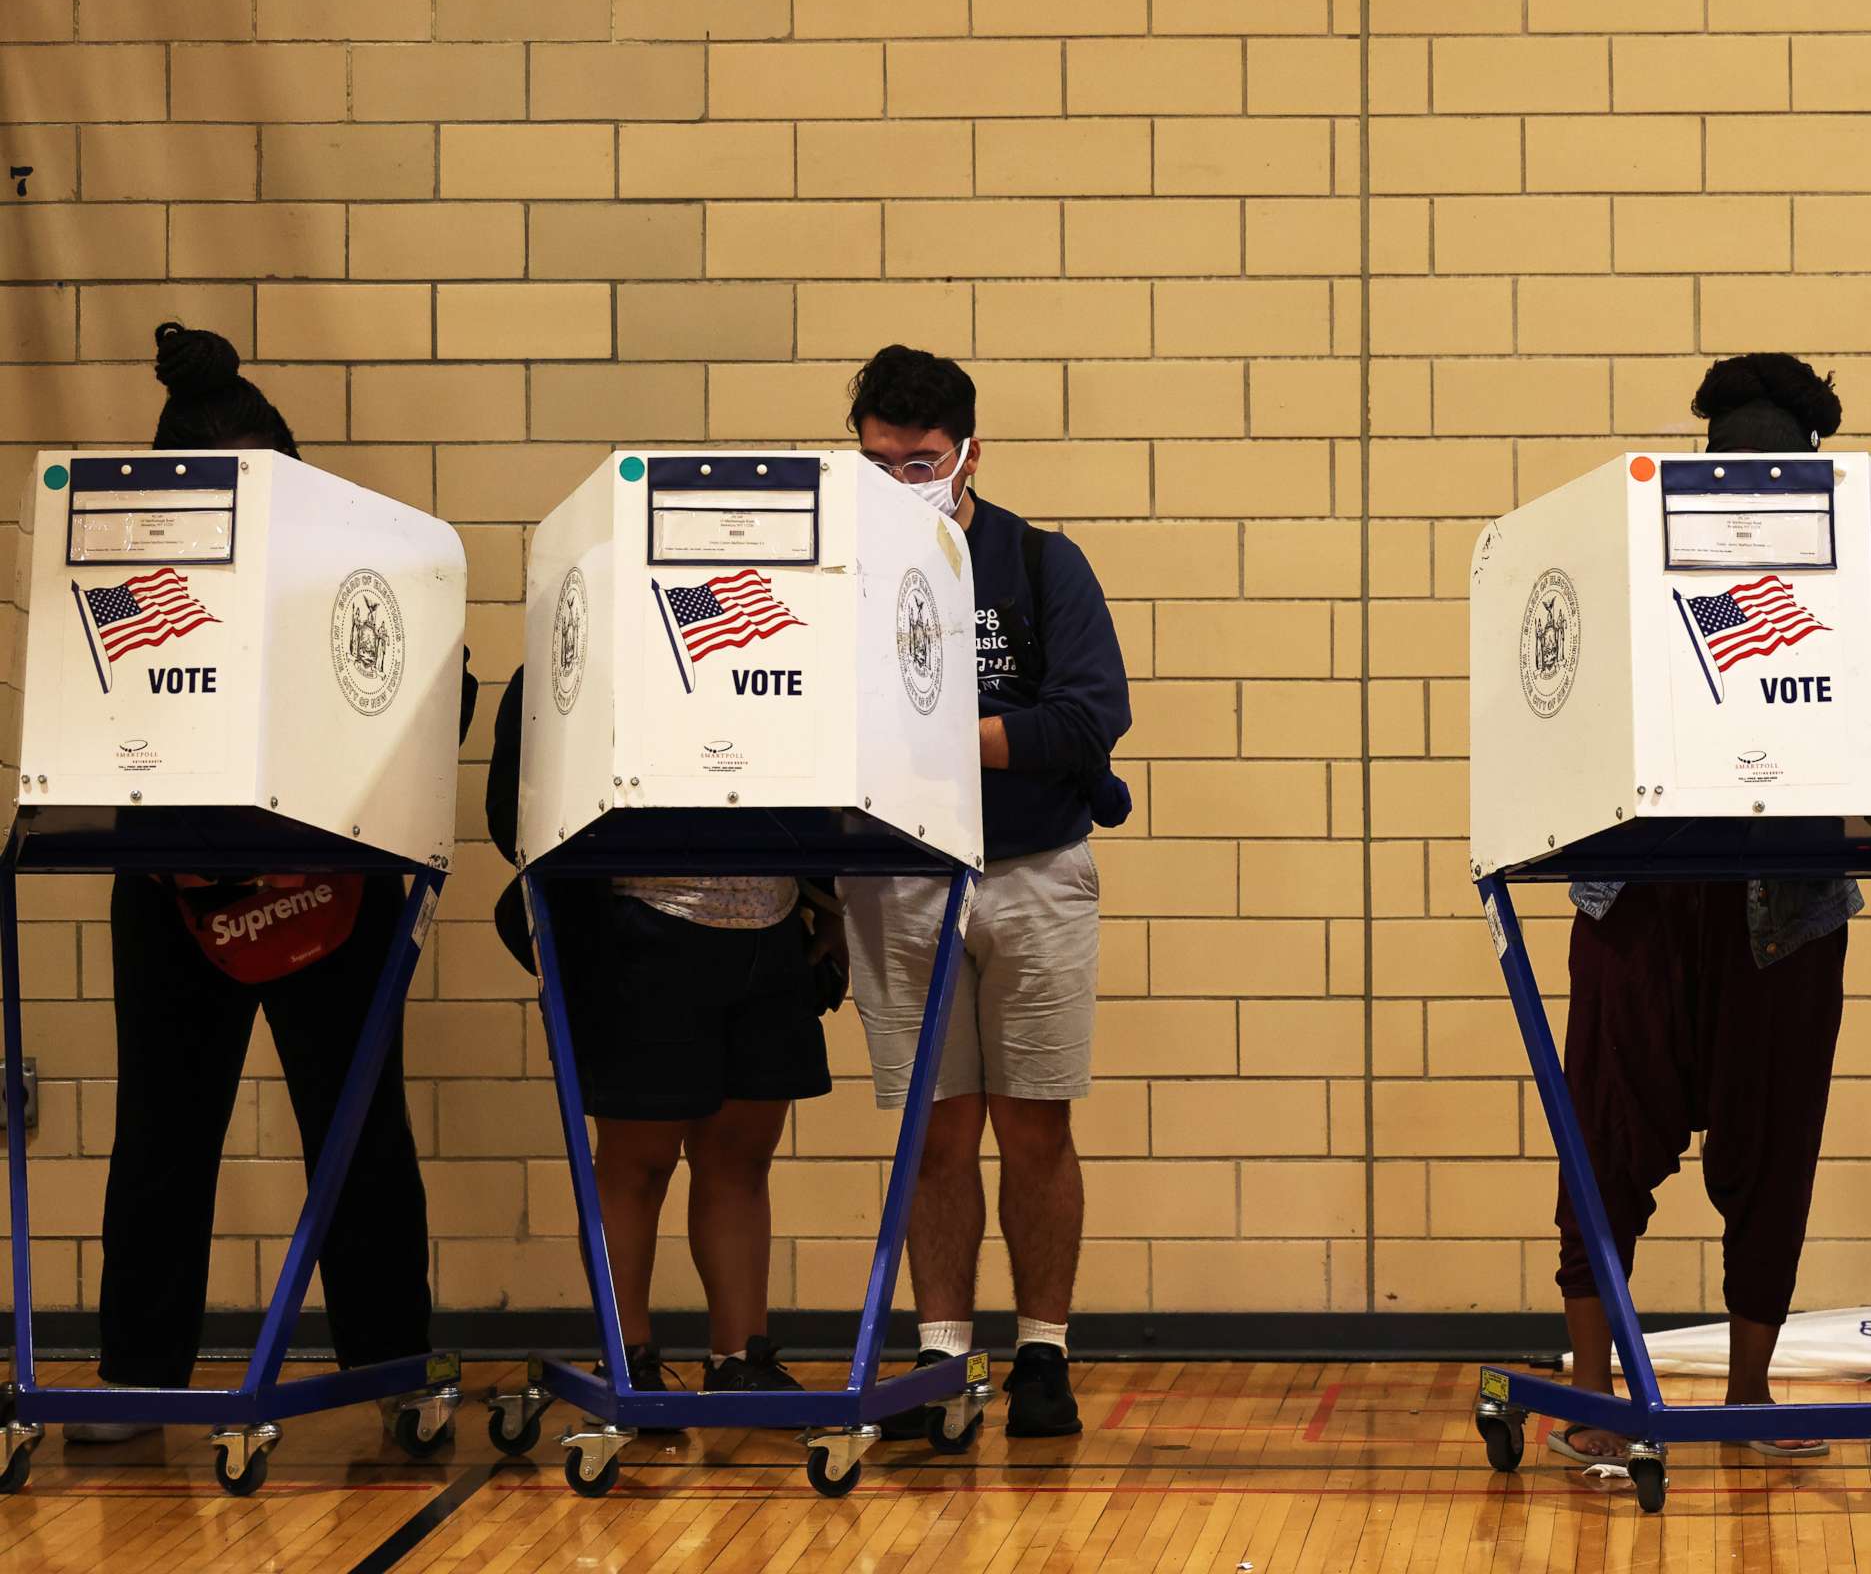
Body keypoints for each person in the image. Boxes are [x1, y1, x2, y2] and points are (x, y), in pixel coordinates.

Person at [73, 323, 470, 1442]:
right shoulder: (115, 578)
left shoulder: (363, 565)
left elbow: (446, 699)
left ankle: (394, 1369)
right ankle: (137, 1380)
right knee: (161, 1132)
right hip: (170, 884)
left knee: (356, 1135)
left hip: (329, 879)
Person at [1551, 353, 1861, 1465]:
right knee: (1605, 1144)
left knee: (1771, 1155)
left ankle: (1746, 1394)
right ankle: (1595, 1392)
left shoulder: (1855, 568)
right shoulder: (1629, 558)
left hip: (1784, 903)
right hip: (1644, 887)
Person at [838, 345, 1131, 1443]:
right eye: (876, 463)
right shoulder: (843, 577)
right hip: (899, 880)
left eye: (919, 462)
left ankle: (1044, 1353)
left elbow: (1088, 722)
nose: (900, 481)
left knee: (1037, 1127)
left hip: (1034, 872)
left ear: (966, 455)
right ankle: (941, 1352)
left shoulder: (1042, 562)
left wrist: (938, 739)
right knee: (934, 1134)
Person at [486, 682, 847, 1408]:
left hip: (769, 930)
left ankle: (740, 1357)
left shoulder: (779, 644)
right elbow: (512, 808)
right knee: (637, 1163)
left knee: (742, 1158)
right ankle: (630, 1360)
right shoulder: (590, 640)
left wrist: (827, 902)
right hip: (639, 929)